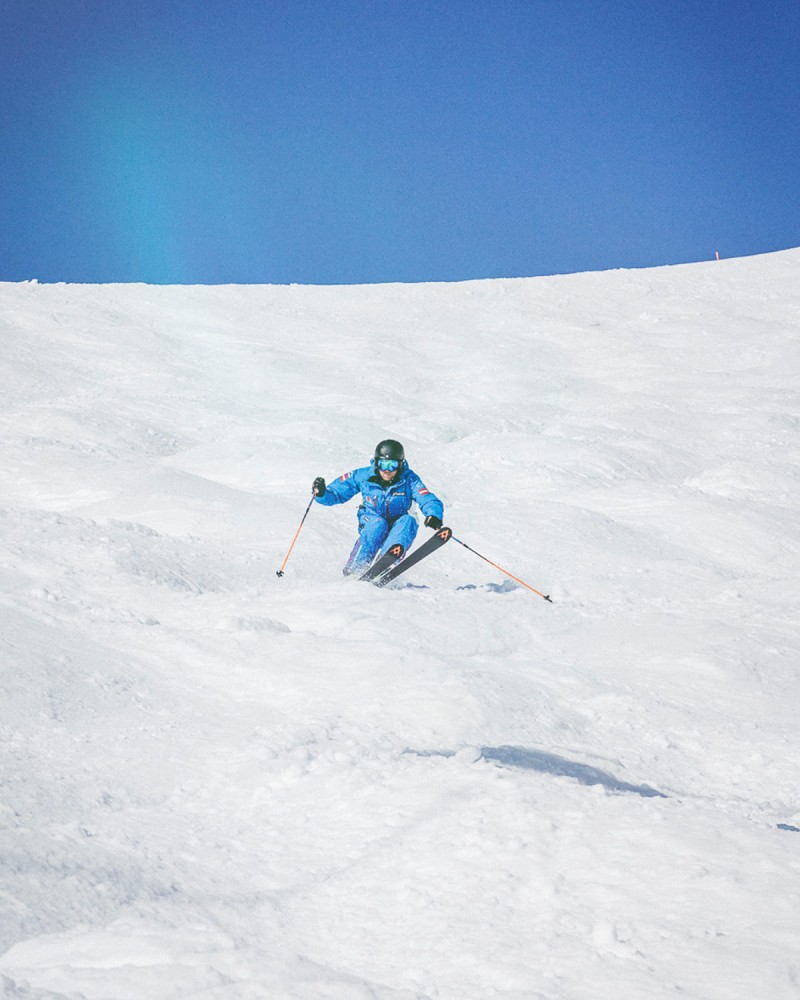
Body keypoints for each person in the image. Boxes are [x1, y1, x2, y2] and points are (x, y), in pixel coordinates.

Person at [313, 439, 444, 576]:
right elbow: (337, 493)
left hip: (398, 522)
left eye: (392, 465)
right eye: (383, 464)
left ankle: (386, 563)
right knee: (378, 524)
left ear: (400, 464)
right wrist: (322, 493)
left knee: (408, 521)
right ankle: (355, 568)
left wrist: (434, 514)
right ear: (376, 463)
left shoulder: (409, 479)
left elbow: (426, 497)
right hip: (371, 519)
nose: (387, 470)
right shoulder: (363, 476)